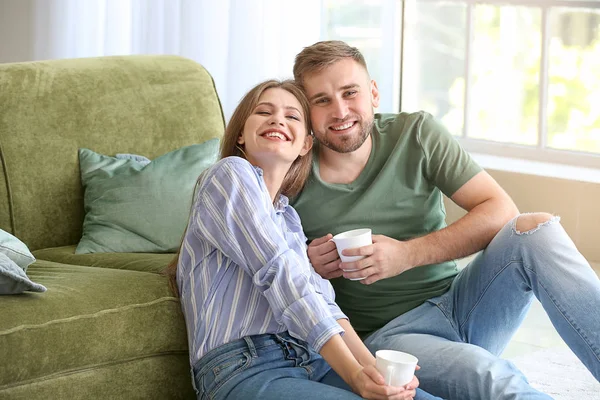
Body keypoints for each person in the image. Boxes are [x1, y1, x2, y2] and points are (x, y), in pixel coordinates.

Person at [290, 40, 600, 400]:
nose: (340, 110)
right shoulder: (292, 174)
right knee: (492, 379)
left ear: (373, 93)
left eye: (350, 92)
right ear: (306, 110)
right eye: (322, 100)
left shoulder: (416, 134)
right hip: (389, 338)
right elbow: (266, 268)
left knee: (535, 230)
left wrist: (406, 255)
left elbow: (500, 209)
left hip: (462, 301)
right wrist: (307, 262)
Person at [165, 79, 430, 400]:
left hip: (312, 358)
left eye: (292, 116)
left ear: (305, 144)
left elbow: (323, 303)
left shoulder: (287, 217)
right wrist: (356, 377)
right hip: (243, 366)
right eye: (264, 111)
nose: (277, 119)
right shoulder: (229, 175)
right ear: (239, 135)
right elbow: (279, 273)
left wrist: (373, 369)